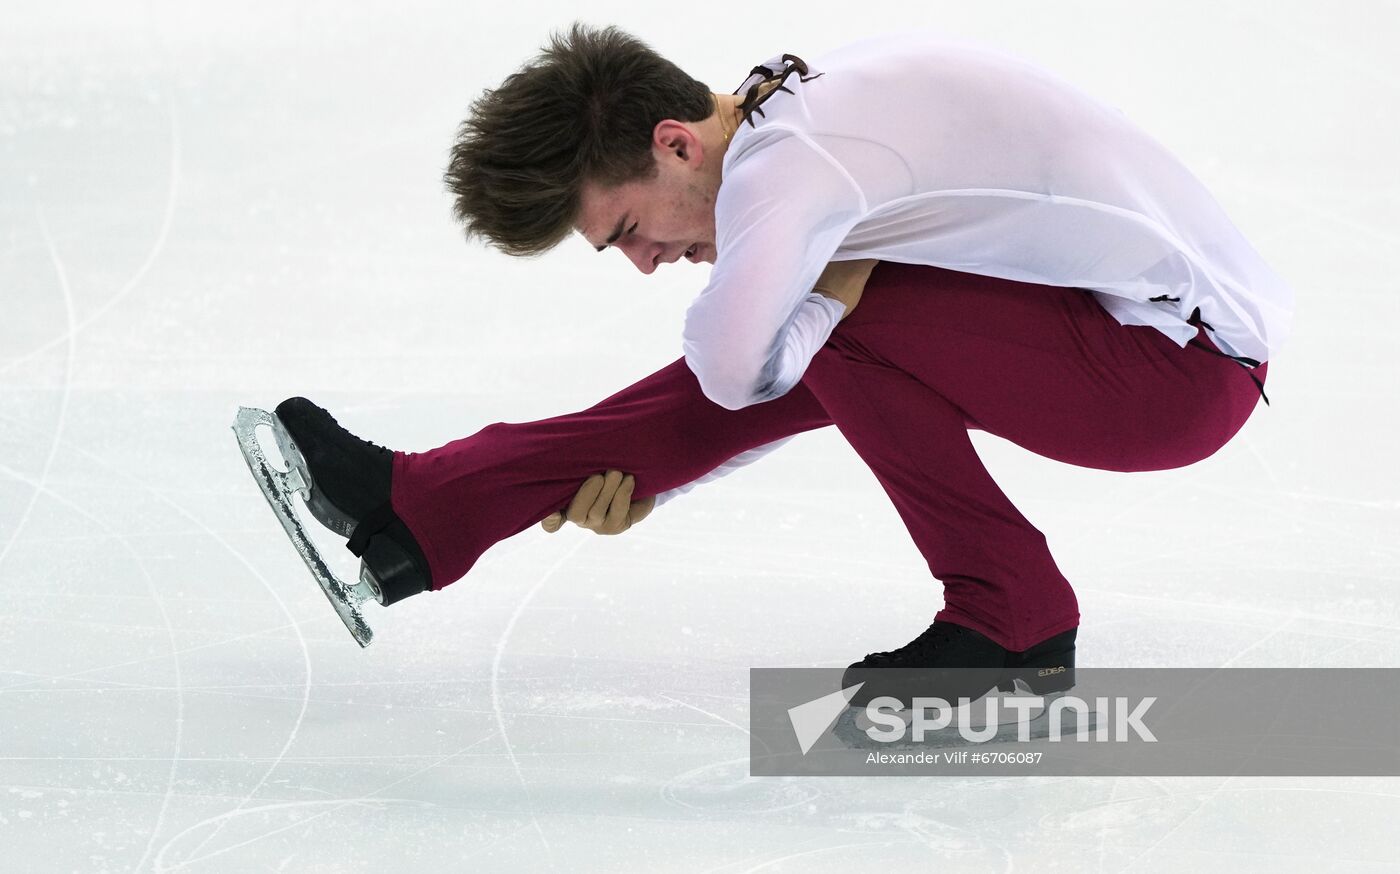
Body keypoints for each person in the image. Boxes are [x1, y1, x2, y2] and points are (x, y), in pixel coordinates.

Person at [269, 23, 1291, 693]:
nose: (641, 263)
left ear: (673, 144)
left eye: (625, 227)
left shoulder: (788, 165)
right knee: (829, 317)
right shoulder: (787, 115)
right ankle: (430, 503)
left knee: (830, 318)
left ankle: (1010, 616)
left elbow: (728, 370)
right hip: (1140, 338)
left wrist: (750, 372)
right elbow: (763, 378)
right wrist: (648, 476)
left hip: (1173, 372)